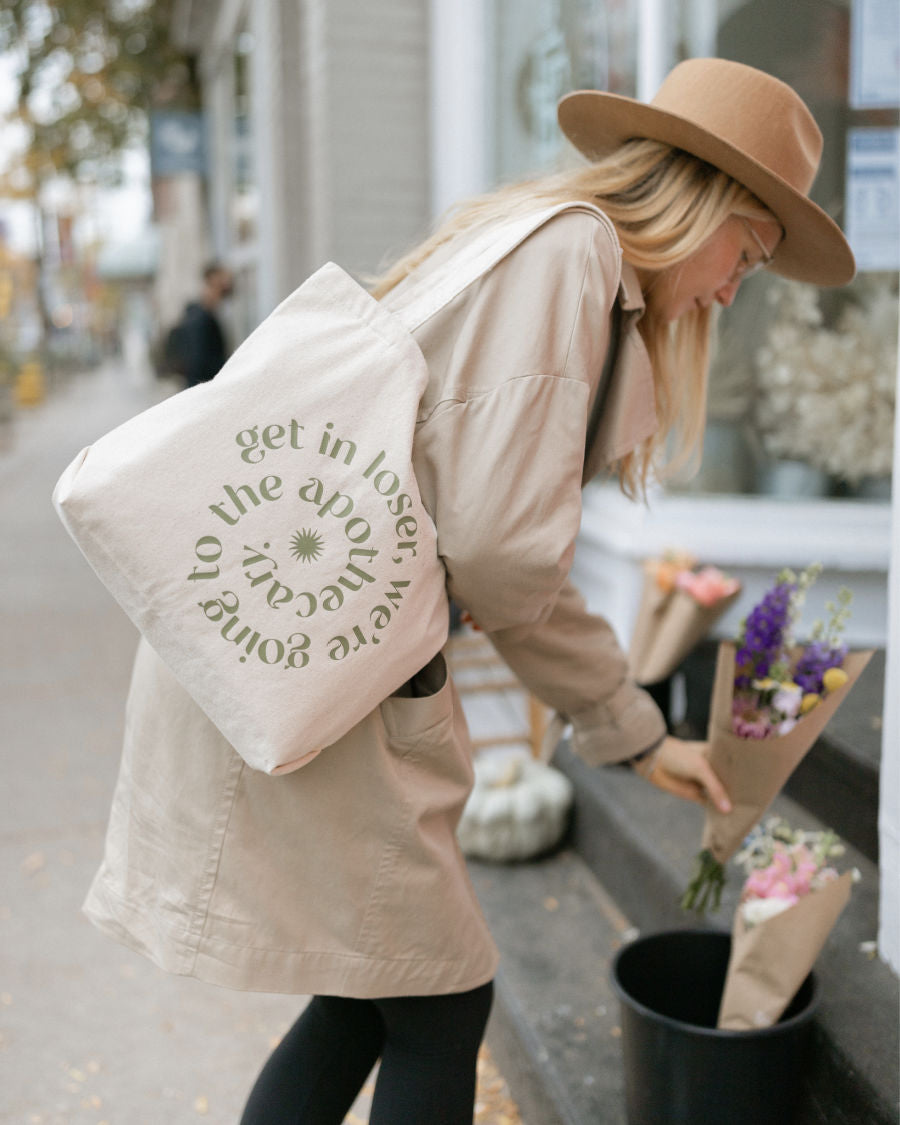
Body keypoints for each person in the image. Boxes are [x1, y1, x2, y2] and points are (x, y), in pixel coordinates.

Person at [80, 59, 854, 1125]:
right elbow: (501, 551)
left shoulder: (551, 247)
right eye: (749, 255)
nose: (733, 287)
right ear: (704, 203)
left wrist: (621, 721)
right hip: (328, 667)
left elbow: (486, 536)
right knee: (441, 998)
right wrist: (626, 722)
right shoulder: (575, 257)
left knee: (374, 997)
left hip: (310, 645)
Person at [170, 261, 234, 387]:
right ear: (212, 281)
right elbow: (198, 365)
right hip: (204, 392)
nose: (228, 284)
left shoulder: (203, 315)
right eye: (224, 280)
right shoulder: (199, 319)